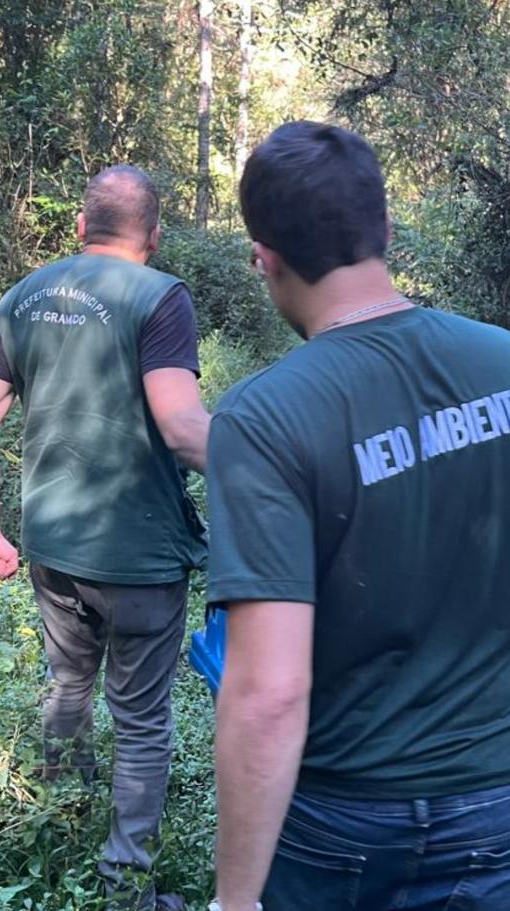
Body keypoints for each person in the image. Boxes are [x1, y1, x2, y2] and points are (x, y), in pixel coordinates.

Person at [206, 121, 510, 911]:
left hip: (341, 824)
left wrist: (234, 901)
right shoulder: (503, 362)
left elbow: (269, 692)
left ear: (264, 259)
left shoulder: (264, 419)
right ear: (386, 227)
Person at [0, 165, 210, 911]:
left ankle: (59, 823)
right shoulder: (160, 298)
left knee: (68, 682)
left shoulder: (23, 297)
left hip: (51, 546)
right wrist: (275, 466)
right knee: (141, 717)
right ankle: (127, 886)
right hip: (140, 555)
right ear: (155, 236)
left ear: (79, 227)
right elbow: (182, 425)